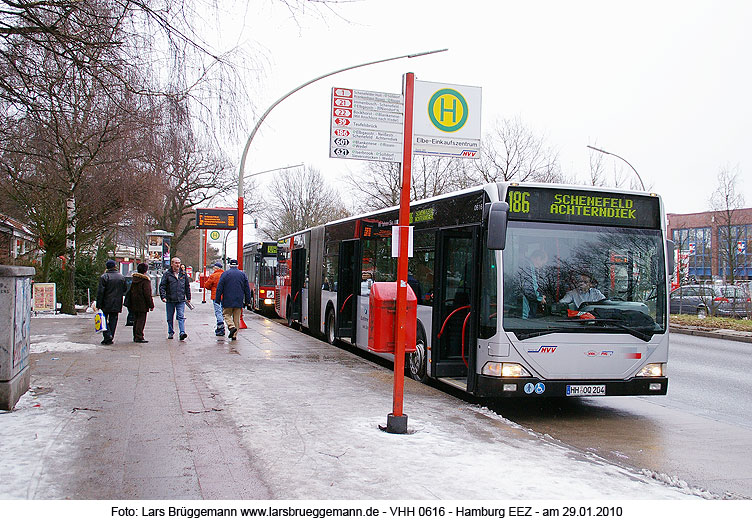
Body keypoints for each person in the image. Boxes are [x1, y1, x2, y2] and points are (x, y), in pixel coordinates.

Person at [215, 259, 251, 341]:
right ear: (237, 265)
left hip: (227, 299)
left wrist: (217, 299)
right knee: (236, 318)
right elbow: (247, 289)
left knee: (226, 314)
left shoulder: (225, 274)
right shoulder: (242, 275)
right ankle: (234, 335)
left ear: (230, 265)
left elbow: (219, 287)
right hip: (239, 300)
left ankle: (231, 326)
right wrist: (248, 301)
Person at [159, 256, 191, 340]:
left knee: (181, 316)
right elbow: (162, 286)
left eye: (179, 263)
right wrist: (163, 296)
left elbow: (187, 286)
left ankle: (182, 332)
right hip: (170, 299)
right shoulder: (167, 274)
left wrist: (188, 297)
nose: (178, 265)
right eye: (176, 263)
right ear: (172, 264)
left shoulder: (183, 274)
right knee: (170, 317)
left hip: (181, 299)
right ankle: (170, 332)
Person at [96, 259, 127, 345]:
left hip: (106, 302)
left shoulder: (104, 277)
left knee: (104, 319)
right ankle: (110, 336)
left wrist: (99, 304)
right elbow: (124, 289)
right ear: (115, 266)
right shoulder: (121, 277)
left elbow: (100, 292)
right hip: (117, 302)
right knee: (114, 319)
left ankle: (107, 335)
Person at [129, 262, 155, 343]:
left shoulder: (134, 279)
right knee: (141, 320)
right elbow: (147, 294)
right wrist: (151, 304)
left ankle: (135, 335)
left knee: (136, 319)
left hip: (134, 302)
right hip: (142, 303)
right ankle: (139, 336)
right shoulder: (145, 280)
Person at [521, 249, 548, 319]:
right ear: (538, 258)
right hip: (524, 309)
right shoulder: (528, 267)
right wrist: (540, 298)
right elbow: (529, 287)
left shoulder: (527, 266)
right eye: (542, 263)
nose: (541, 266)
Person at [204, 262, 225, 336]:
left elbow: (207, 285)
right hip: (224, 296)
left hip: (216, 296)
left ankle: (220, 327)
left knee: (218, 311)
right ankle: (221, 325)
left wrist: (212, 288)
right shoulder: (224, 275)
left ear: (215, 268)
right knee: (222, 311)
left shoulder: (213, 276)